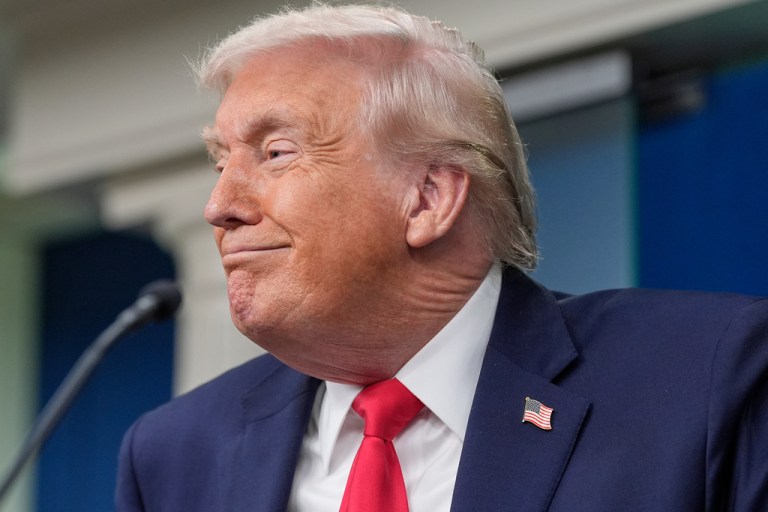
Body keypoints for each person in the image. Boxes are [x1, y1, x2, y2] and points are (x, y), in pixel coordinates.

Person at [116, 4, 768, 511]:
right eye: (219, 161)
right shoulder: (173, 454)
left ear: (427, 199)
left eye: (276, 152)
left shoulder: (706, 380)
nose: (218, 205)